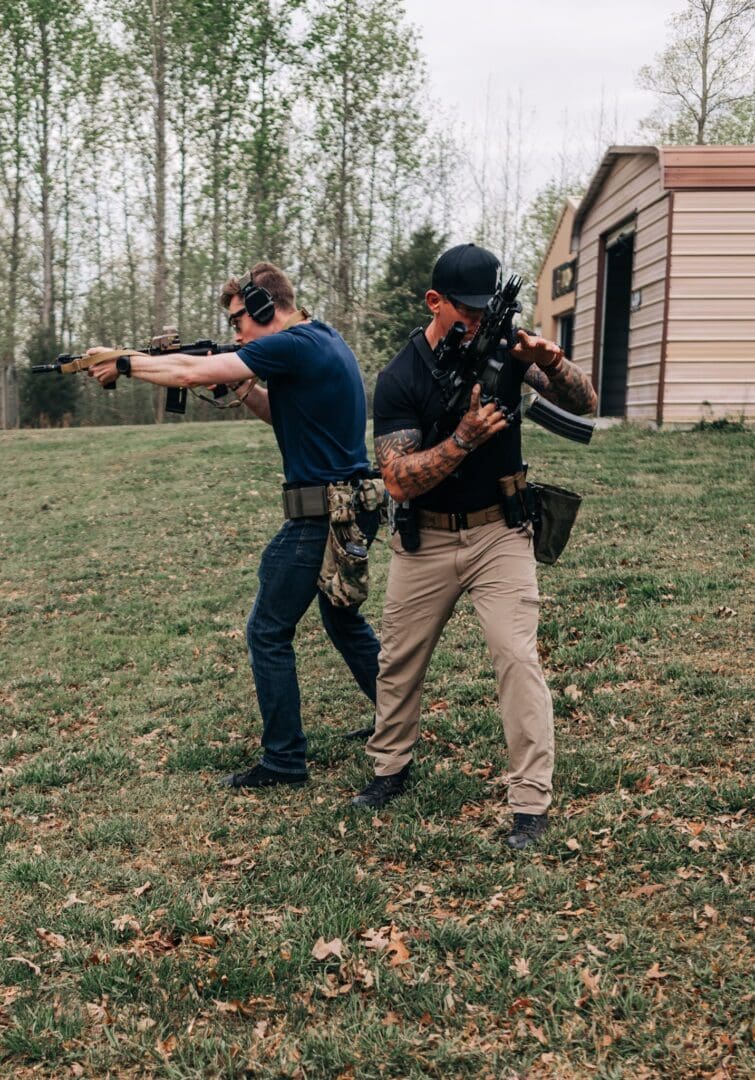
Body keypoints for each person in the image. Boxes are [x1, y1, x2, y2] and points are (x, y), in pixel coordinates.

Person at [88, 262, 381, 789]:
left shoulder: (291, 345)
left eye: (240, 319)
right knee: (343, 622)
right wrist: (245, 389)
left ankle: (284, 761)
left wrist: (124, 363)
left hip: (320, 514)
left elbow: (186, 373)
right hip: (349, 508)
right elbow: (286, 413)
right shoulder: (323, 340)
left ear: (267, 308)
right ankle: (397, 718)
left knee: (267, 632)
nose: (236, 332)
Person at [351, 243, 597, 849]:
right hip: (425, 538)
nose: (482, 323)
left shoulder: (510, 344)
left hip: (499, 531)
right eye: (468, 312)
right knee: (399, 660)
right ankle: (390, 770)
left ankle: (530, 804)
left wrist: (554, 362)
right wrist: (463, 438)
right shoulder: (400, 376)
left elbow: (585, 405)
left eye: (489, 311)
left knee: (517, 658)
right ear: (436, 303)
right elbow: (397, 476)